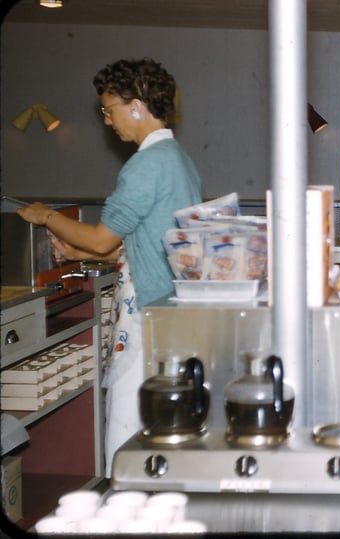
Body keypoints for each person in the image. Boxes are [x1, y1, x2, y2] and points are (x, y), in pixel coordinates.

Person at [17, 57, 202, 476]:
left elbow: (103, 236)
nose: (107, 121)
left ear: (135, 106)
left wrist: (47, 215)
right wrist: (86, 254)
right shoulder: (178, 158)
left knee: (127, 430)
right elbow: (147, 239)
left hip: (148, 316)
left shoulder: (145, 164)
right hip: (171, 309)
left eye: (109, 109)